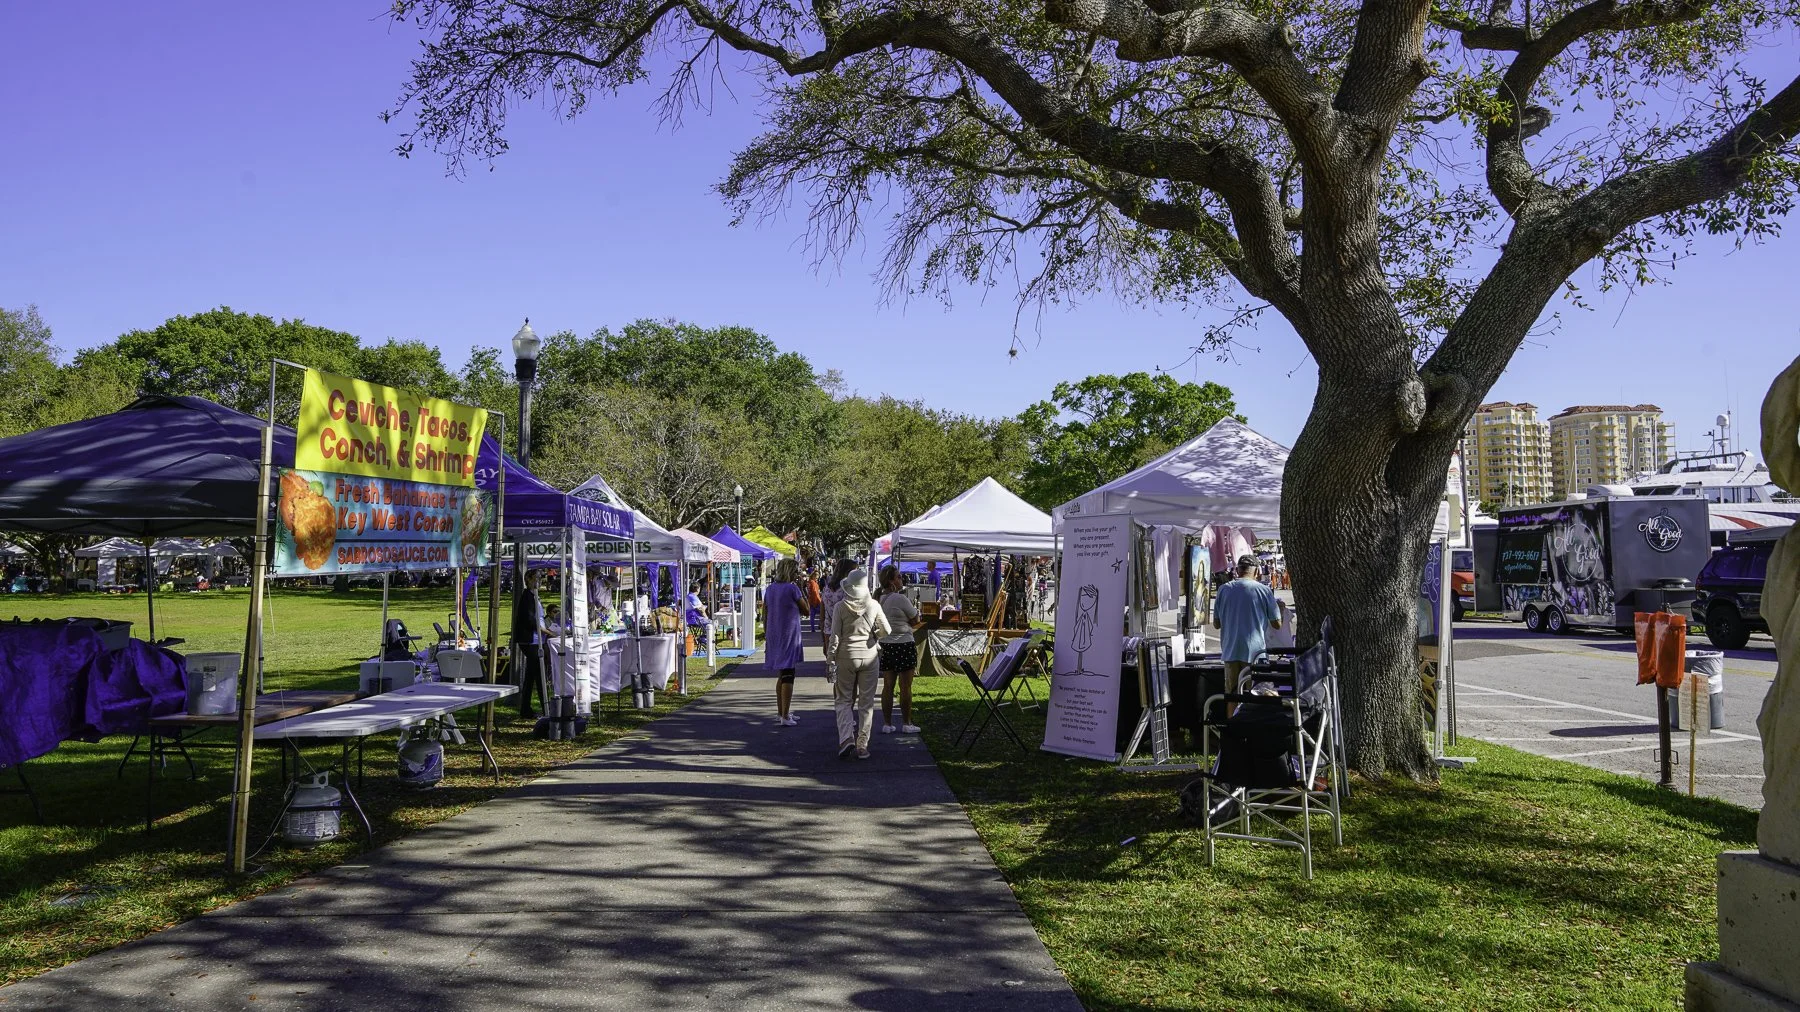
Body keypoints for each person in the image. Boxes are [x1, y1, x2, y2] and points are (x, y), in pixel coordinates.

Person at [830, 567, 890, 759]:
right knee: (866, 703)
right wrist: (875, 636)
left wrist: (830, 659)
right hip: (869, 655)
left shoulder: (840, 607)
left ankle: (846, 738)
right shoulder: (874, 605)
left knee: (844, 700)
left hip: (846, 656)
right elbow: (886, 630)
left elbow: (835, 637)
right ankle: (862, 745)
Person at [1212, 554, 1283, 690]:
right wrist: (1280, 609)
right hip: (1255, 653)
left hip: (1230, 651)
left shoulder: (1223, 590)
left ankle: (1232, 713)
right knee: (1256, 694)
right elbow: (1277, 624)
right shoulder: (1264, 591)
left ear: (1238, 571)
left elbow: (1216, 624)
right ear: (1256, 571)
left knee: (1232, 693)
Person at [763, 558, 811, 725]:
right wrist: (803, 590)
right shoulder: (793, 589)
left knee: (782, 674)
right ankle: (785, 715)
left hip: (774, 634)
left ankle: (782, 711)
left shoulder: (769, 589)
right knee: (789, 674)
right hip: (788, 634)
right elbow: (806, 610)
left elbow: (765, 613)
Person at [876, 565, 924, 734]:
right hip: (903, 643)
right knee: (905, 686)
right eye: (899, 577)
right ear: (891, 581)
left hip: (887, 644)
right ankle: (906, 722)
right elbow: (915, 618)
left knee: (888, 685)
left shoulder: (879, 599)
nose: (901, 579)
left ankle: (887, 723)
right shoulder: (900, 599)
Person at [511, 568, 548, 719]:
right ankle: (546, 708)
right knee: (539, 674)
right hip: (530, 640)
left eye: (540, 578)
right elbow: (530, 620)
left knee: (531, 675)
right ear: (528, 580)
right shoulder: (527, 596)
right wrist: (547, 632)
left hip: (537, 639)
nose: (538, 581)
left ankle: (526, 709)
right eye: (536, 578)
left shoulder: (535, 597)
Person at [820, 558, 856, 683]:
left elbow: (822, 612)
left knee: (834, 670)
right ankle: (845, 699)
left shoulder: (827, 588)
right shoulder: (848, 589)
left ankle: (838, 698)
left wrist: (823, 639)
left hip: (828, 630)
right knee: (847, 673)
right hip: (844, 631)